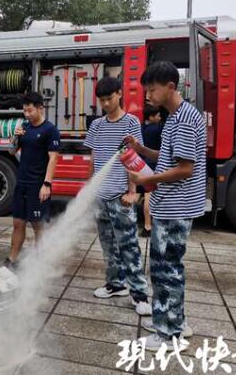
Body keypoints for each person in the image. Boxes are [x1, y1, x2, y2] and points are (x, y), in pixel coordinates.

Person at [125, 61, 206, 351]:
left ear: (171, 86)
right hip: (174, 205)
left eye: (152, 90)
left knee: (165, 270)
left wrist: (146, 179)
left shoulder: (182, 120)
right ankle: (175, 321)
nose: (148, 96)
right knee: (171, 268)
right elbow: (170, 157)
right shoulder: (177, 116)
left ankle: (168, 335)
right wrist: (141, 150)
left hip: (175, 207)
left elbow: (185, 169)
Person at [83, 76, 151, 316]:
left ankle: (140, 295)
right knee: (108, 245)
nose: (105, 104)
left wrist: (132, 192)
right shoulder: (96, 125)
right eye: (101, 100)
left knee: (129, 246)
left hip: (120, 195)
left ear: (119, 94)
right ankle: (115, 284)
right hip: (100, 195)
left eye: (109, 99)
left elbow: (133, 158)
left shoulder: (131, 122)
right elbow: (94, 157)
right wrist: (89, 188)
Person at [6, 92, 60, 269]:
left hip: (38, 185)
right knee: (17, 223)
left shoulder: (50, 130)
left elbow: (53, 158)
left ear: (40, 108)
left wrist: (47, 184)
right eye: (24, 111)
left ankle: (40, 263)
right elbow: (12, 151)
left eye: (30, 110)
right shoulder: (24, 127)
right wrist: (15, 137)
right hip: (22, 183)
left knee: (38, 226)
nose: (27, 114)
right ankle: (12, 260)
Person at [140, 103, 163, 237]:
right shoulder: (158, 129)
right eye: (158, 116)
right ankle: (148, 226)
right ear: (151, 116)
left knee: (145, 194)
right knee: (150, 195)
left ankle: (147, 225)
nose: (160, 118)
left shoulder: (141, 128)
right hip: (155, 164)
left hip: (143, 165)